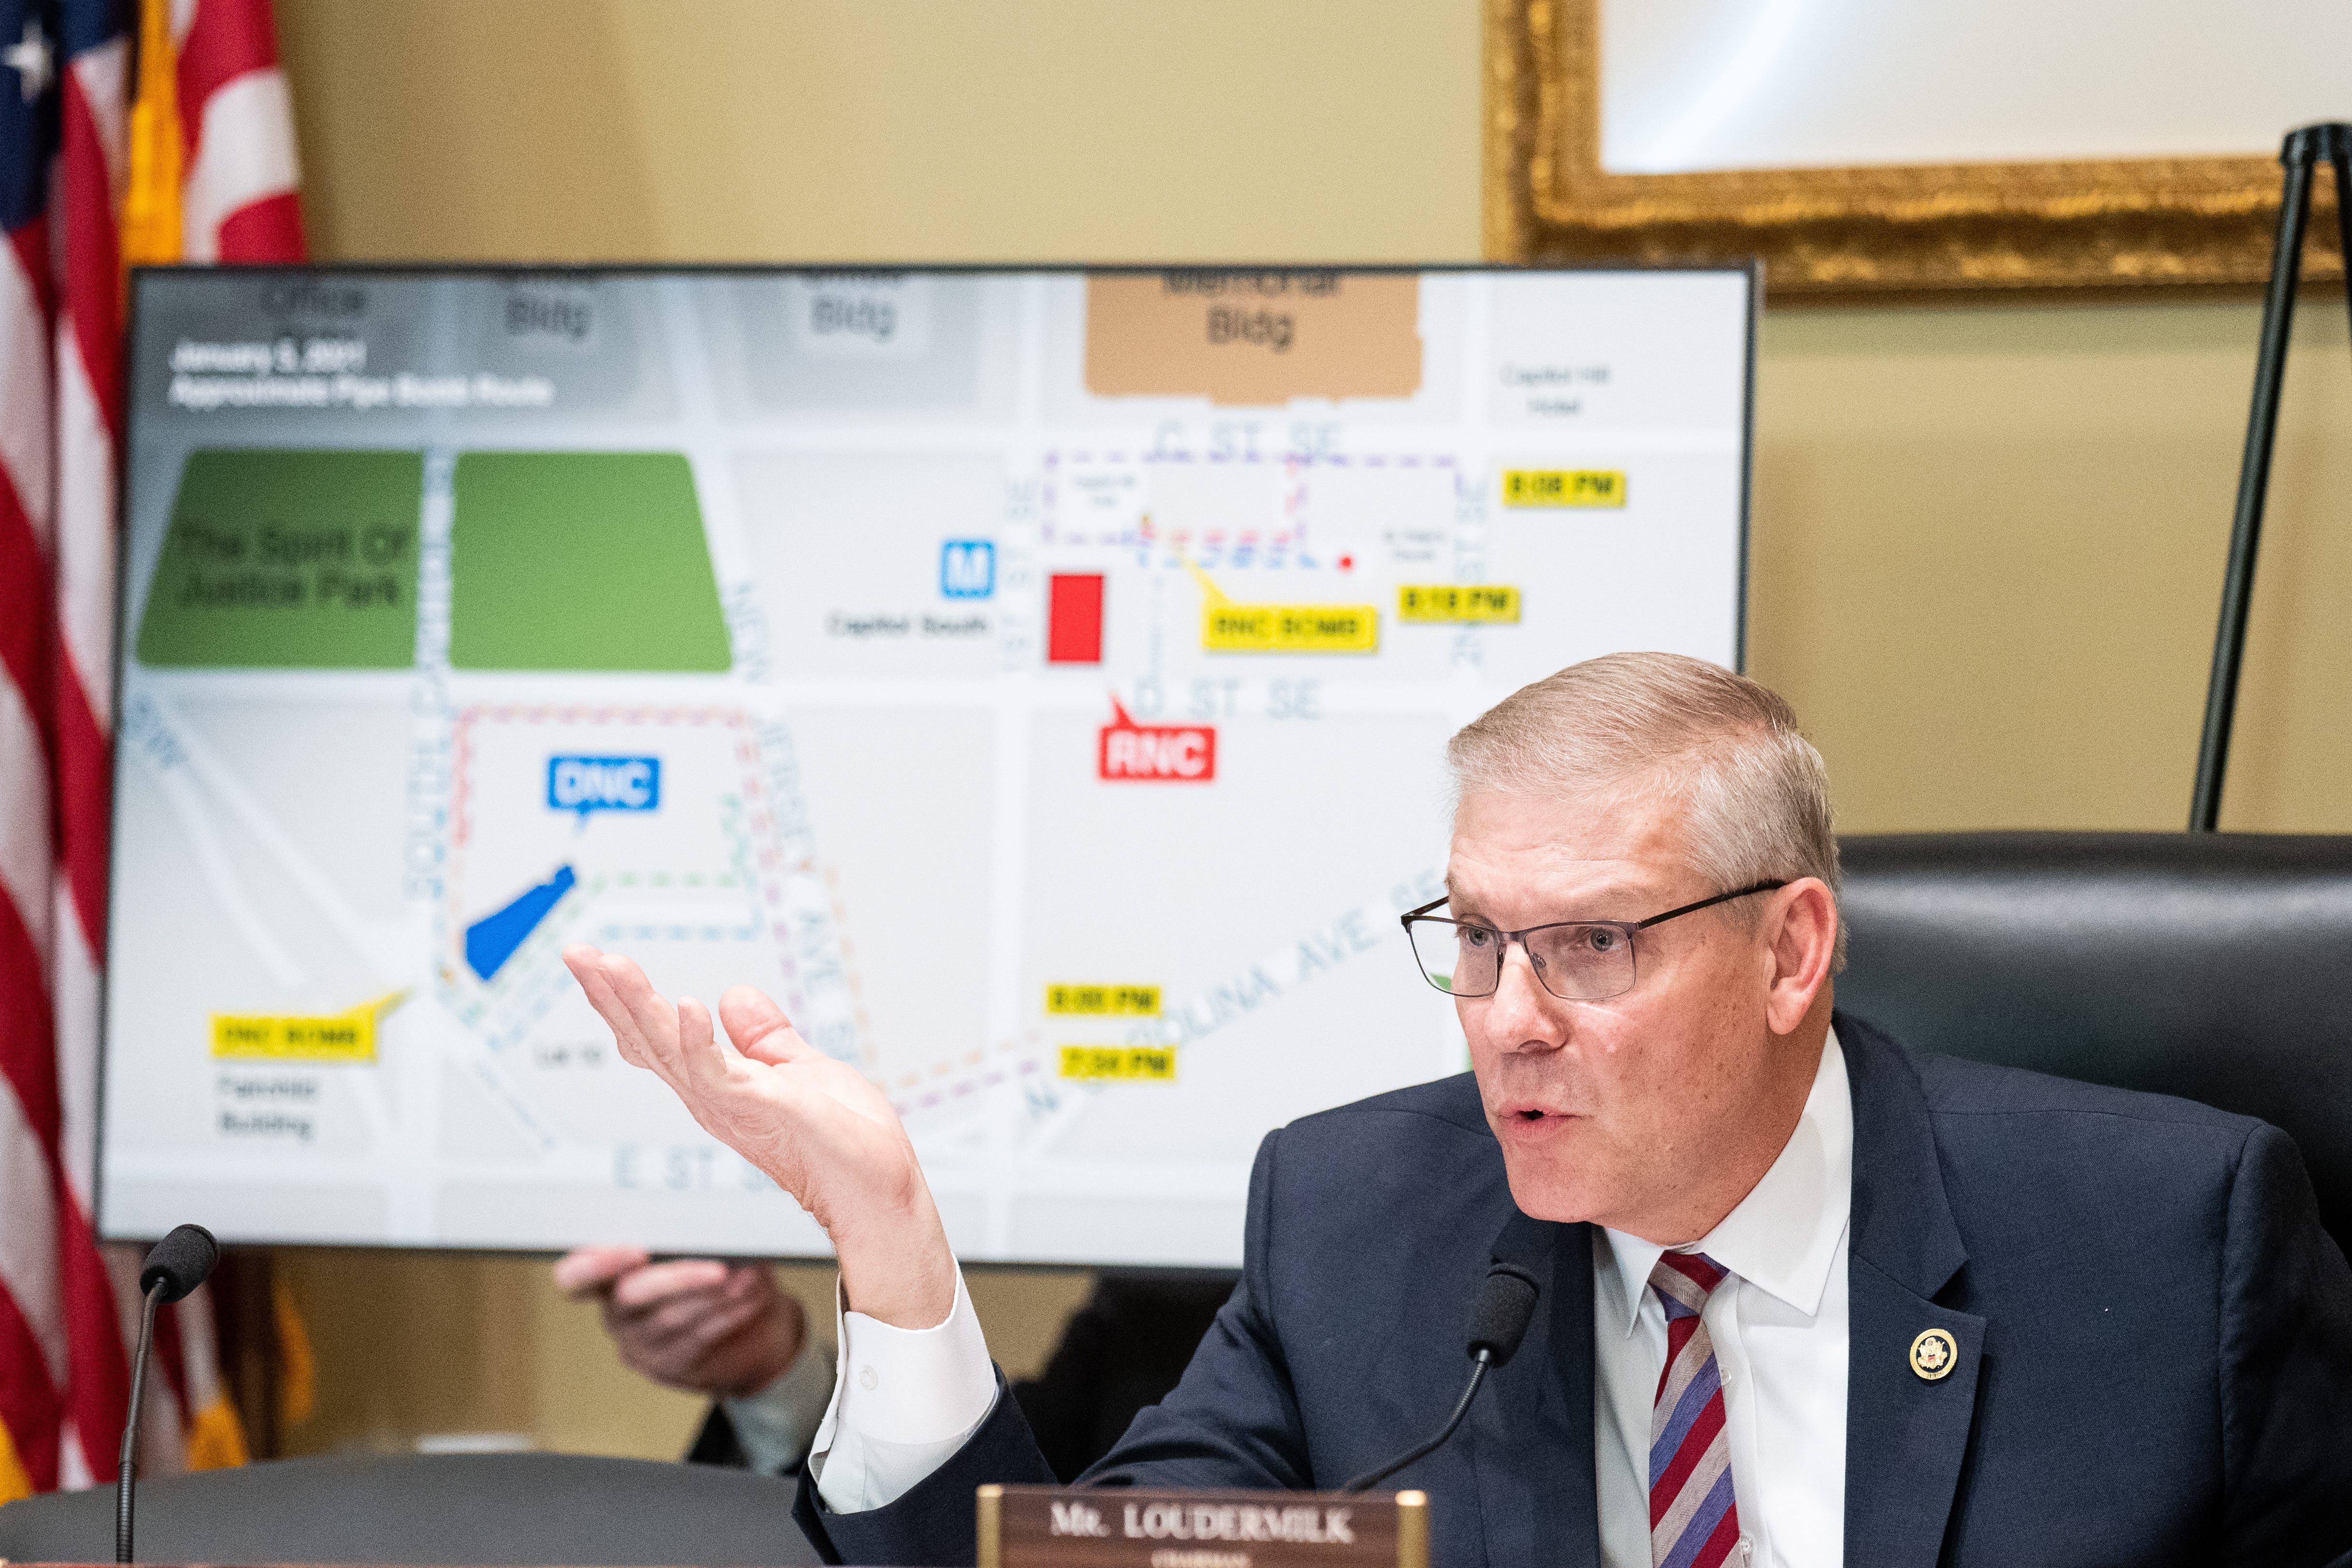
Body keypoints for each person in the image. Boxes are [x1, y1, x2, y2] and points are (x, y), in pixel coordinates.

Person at [561, 653, 2352, 1568]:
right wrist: (890, 1239)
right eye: (1478, 940)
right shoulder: (1362, 1220)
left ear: (1790, 949)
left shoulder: (2161, 1240)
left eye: (1591, 946)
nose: (1508, 1022)